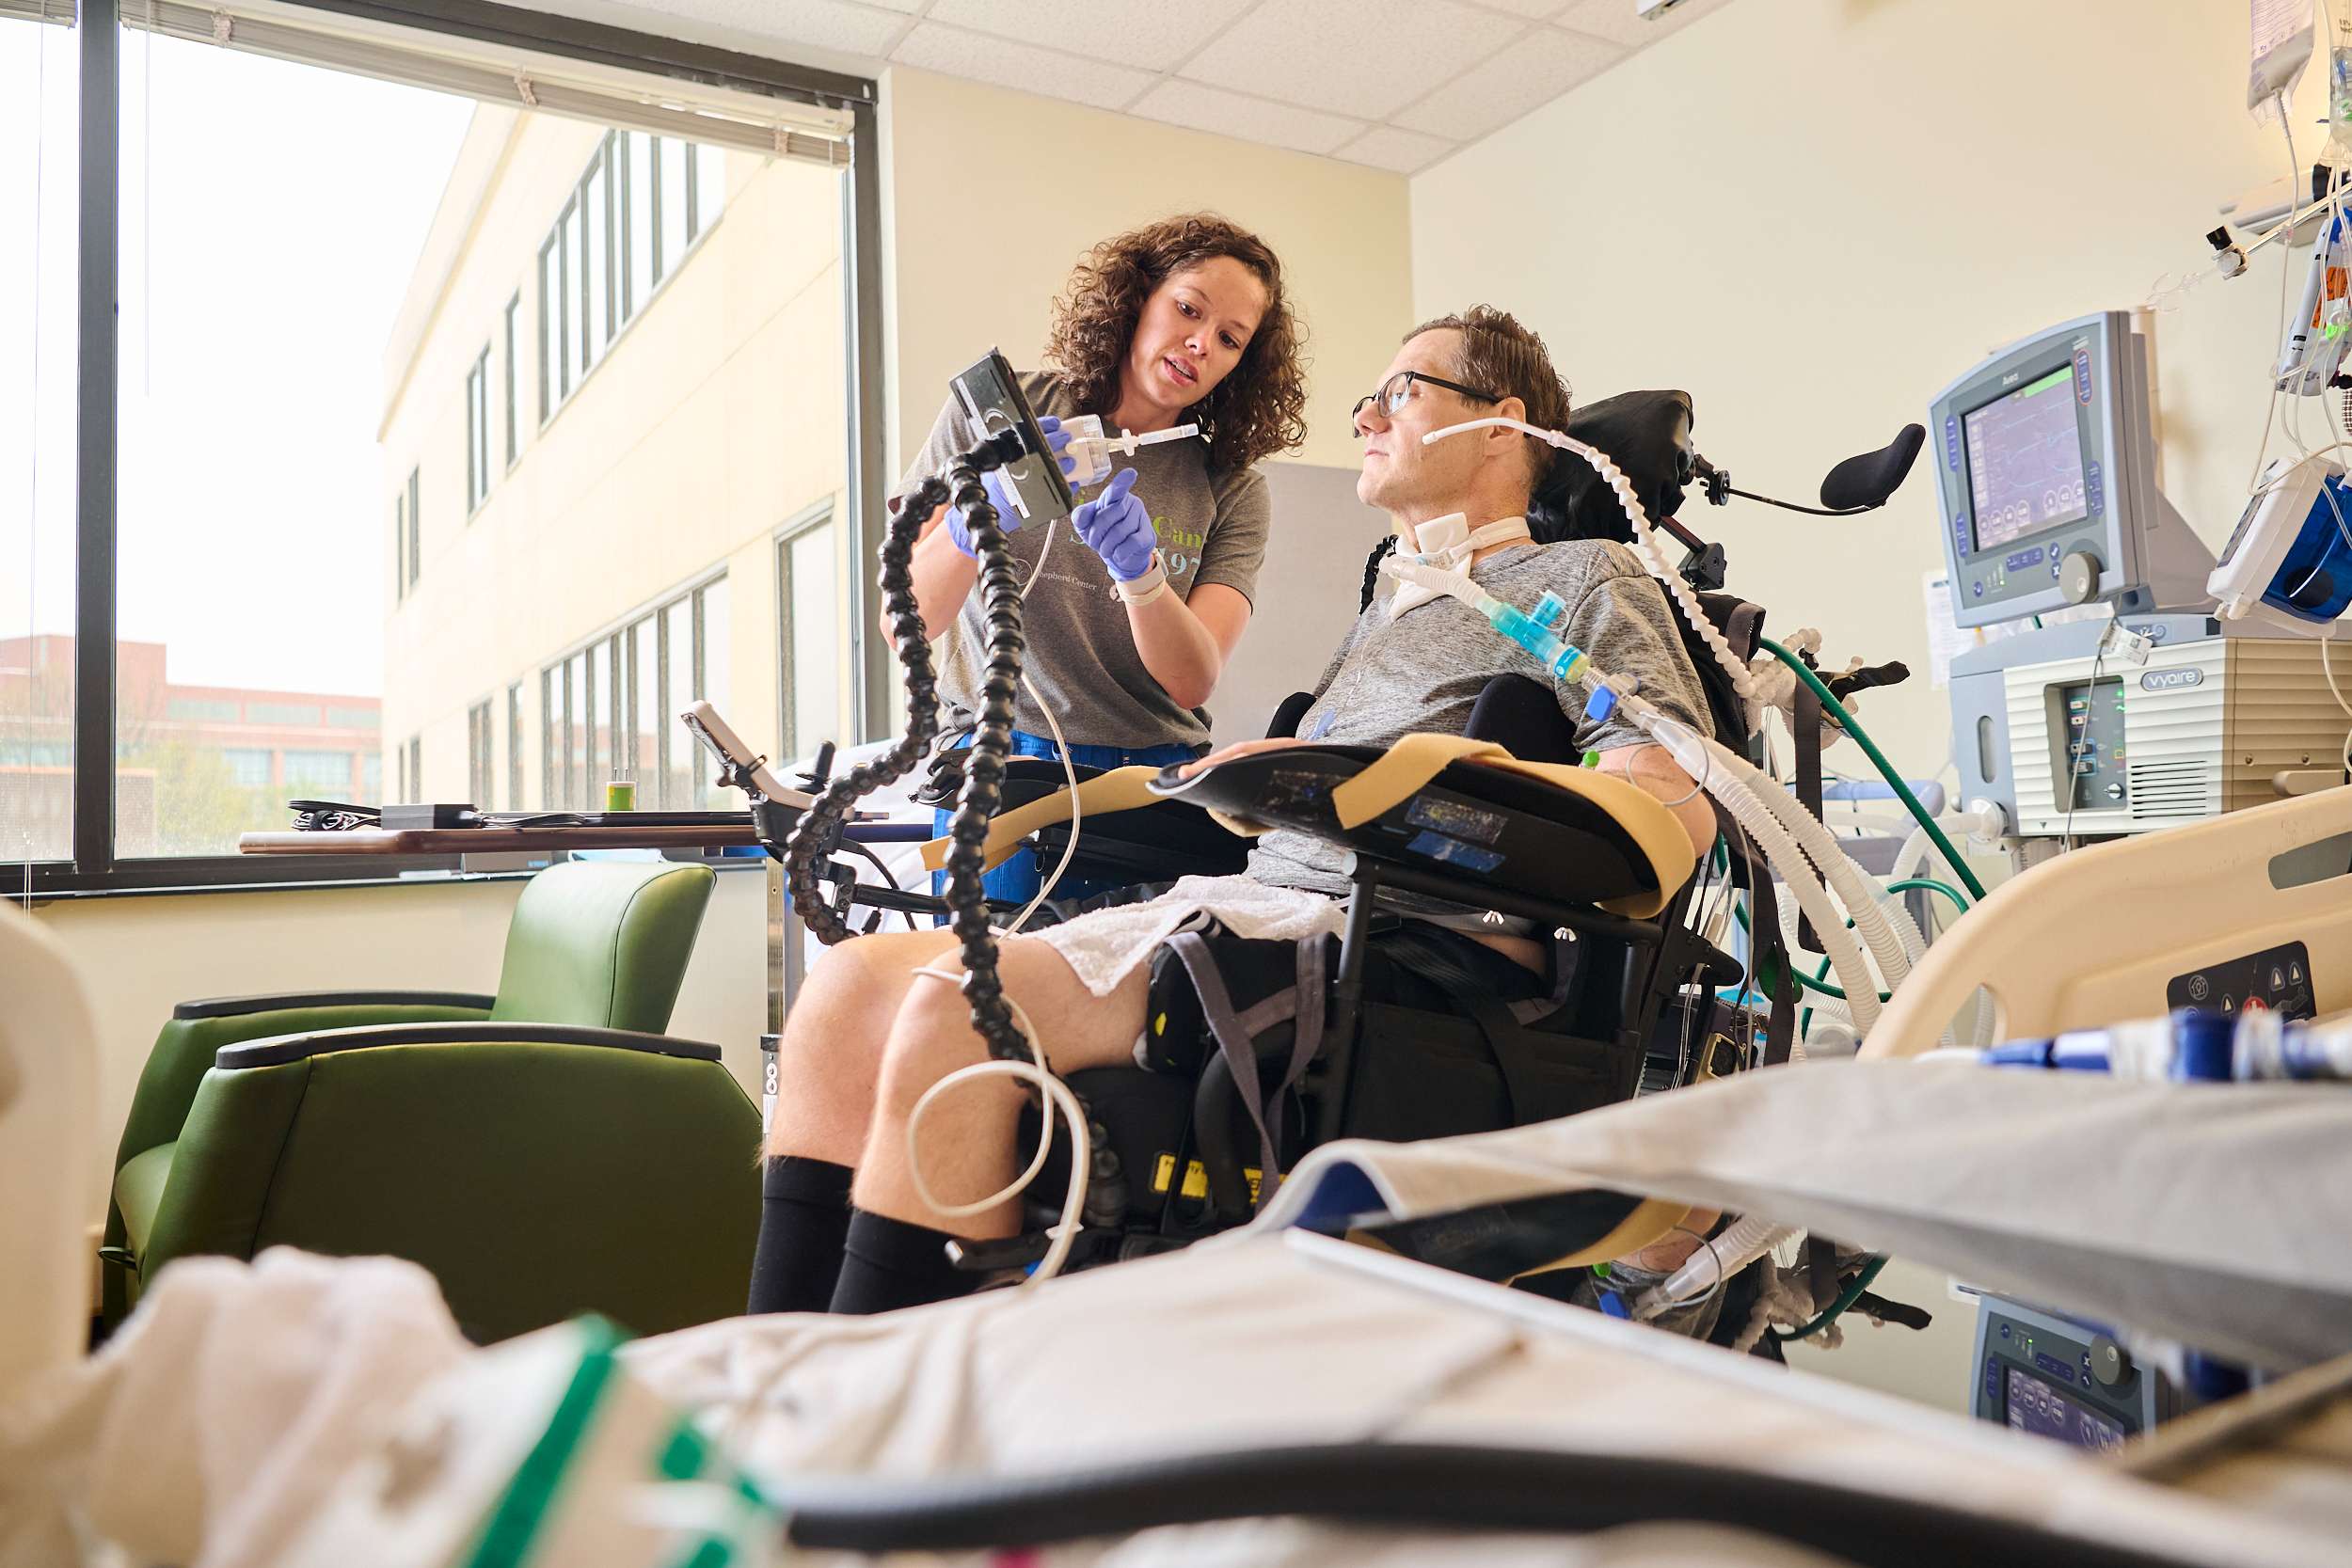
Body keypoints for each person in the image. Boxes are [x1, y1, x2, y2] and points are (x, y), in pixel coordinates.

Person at [751, 307, 1722, 1319]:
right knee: (849, 987)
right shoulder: (1398, 600)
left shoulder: (1580, 579)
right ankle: (773, 1364)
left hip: (1392, 935)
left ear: (1499, 422)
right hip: (1256, 899)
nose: (1368, 418)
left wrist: (1451, 783)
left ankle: (887, 1422)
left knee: (955, 1001)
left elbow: (1666, 803)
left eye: (1402, 391)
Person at [900, 213, 1310, 907]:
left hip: (1153, 783)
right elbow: (905, 617)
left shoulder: (1231, 485)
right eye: (1188, 308)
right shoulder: (1006, 415)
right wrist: (981, 516)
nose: (1199, 343)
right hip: (1004, 761)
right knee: (988, 992)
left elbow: (1191, 680)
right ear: (1137, 297)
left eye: (1229, 339)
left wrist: (1143, 577)